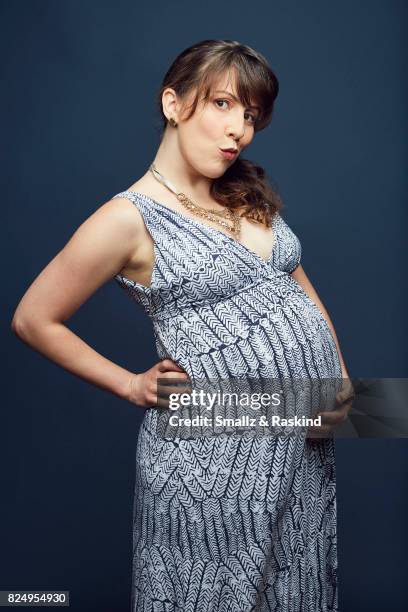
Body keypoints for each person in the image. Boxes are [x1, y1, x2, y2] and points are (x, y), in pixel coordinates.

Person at [11, 39, 353, 612]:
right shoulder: (127, 217)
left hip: (300, 438)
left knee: (296, 591)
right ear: (173, 103)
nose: (239, 130)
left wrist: (339, 378)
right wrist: (130, 384)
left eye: (249, 115)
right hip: (212, 456)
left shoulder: (246, 197)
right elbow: (32, 318)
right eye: (222, 104)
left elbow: (298, 289)